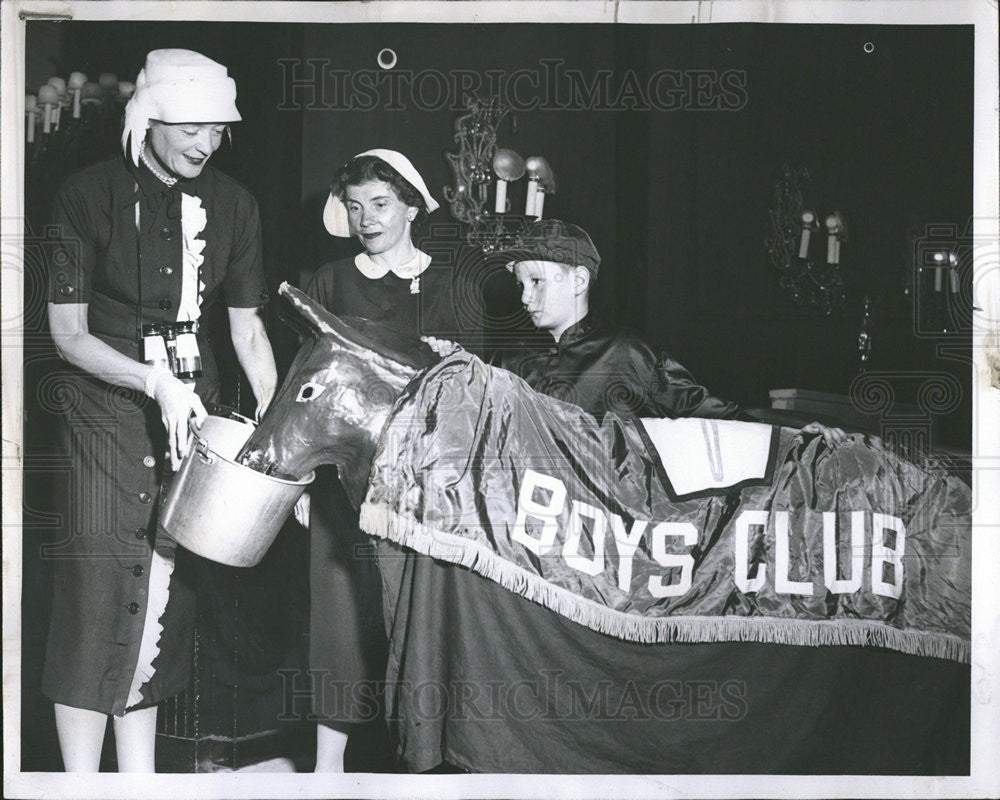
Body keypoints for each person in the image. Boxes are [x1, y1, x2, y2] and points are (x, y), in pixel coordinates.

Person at [43, 49, 277, 772]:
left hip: (193, 412)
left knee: (166, 587)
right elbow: (67, 333)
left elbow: (246, 331)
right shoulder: (85, 195)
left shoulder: (236, 205)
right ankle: (80, 784)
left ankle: (139, 782)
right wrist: (152, 381)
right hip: (101, 408)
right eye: (191, 128)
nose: (206, 144)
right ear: (149, 119)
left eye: (218, 130)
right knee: (98, 585)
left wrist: (276, 436)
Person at [301, 149, 468, 772]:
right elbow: (304, 390)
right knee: (337, 616)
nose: (366, 218)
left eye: (380, 204)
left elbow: (473, 387)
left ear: (411, 207)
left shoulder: (450, 283)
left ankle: (420, 762)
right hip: (339, 479)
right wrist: (296, 482)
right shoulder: (328, 281)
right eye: (355, 206)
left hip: (422, 486)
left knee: (416, 613)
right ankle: (327, 769)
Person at [495, 218, 846, 445]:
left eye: (537, 281)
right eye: (520, 284)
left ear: (579, 280)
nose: (525, 296)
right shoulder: (508, 360)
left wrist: (797, 433)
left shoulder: (628, 353)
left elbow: (714, 414)